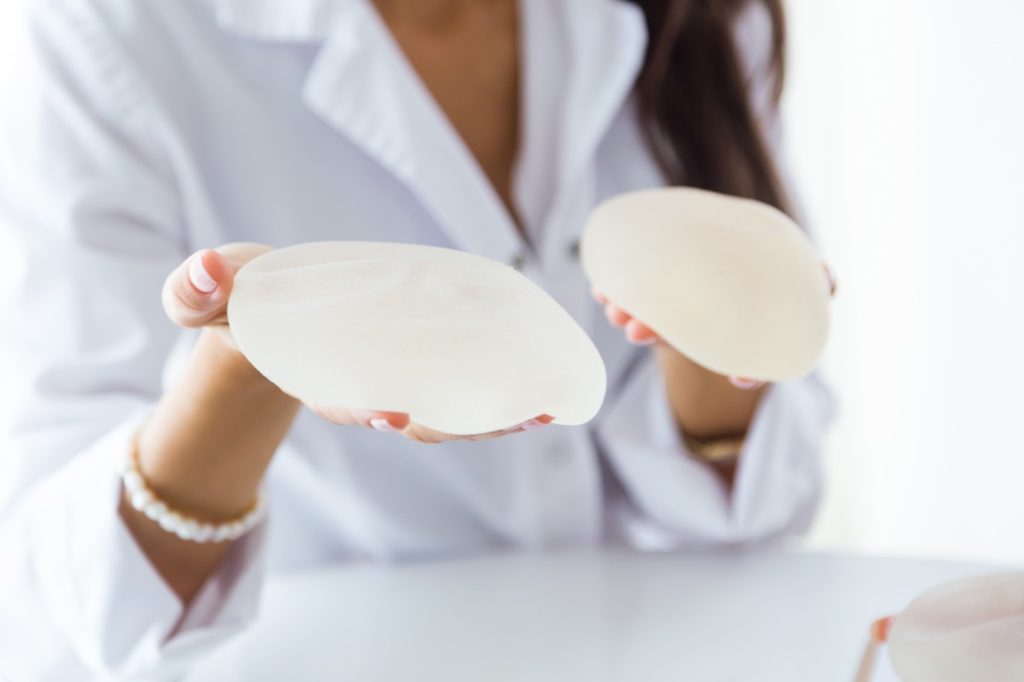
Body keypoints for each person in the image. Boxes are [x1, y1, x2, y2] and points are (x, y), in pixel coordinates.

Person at [0, 0, 834, 678]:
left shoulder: (704, 19)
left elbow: (764, 508)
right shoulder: (110, 36)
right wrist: (247, 364)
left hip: (655, 650)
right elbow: (73, 605)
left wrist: (718, 323)